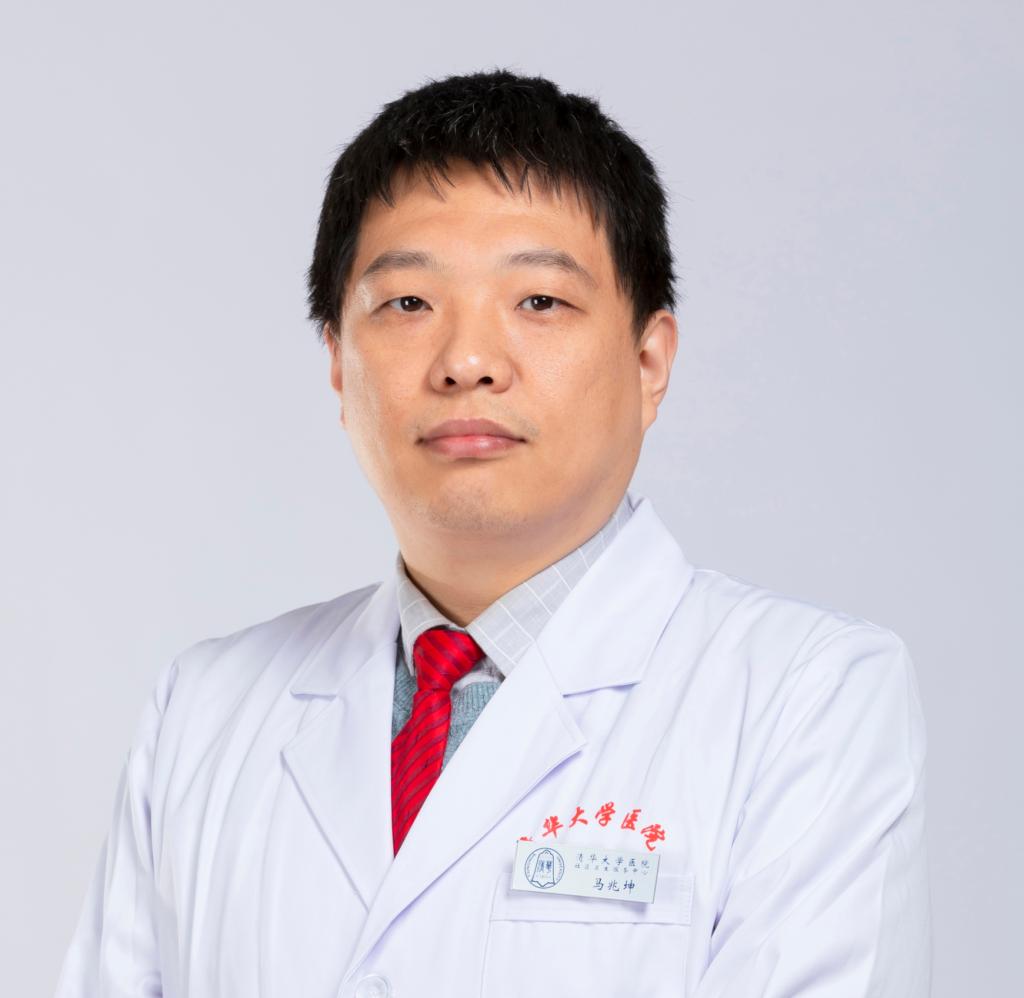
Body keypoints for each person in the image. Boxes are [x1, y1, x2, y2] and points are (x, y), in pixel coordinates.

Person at [55, 69, 931, 998]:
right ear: (339, 368)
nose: (467, 361)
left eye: (539, 301)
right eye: (408, 303)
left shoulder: (807, 698)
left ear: (648, 362)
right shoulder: (206, 710)